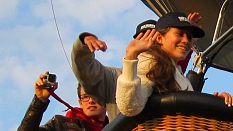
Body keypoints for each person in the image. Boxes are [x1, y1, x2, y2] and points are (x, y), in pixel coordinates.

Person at [74, 15, 204, 121]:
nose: (149, 43)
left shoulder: (170, 70)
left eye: (152, 37)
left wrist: (187, 35)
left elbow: (171, 67)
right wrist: (85, 43)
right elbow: (85, 69)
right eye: (143, 37)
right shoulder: (115, 76)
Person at [117, 12, 233, 116]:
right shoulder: (151, 62)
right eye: (179, 34)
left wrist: (215, 101)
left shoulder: (176, 71)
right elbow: (130, 107)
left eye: (189, 37)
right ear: (159, 38)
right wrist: (131, 56)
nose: (186, 40)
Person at [15, 73, 109, 131]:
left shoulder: (115, 128)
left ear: (106, 99)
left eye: (95, 95)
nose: (91, 101)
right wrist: (39, 101)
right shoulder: (61, 125)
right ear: (80, 103)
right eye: (85, 97)